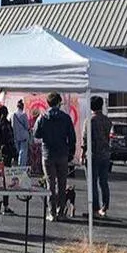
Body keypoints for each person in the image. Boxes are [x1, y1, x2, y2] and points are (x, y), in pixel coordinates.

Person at [33, 92, 76, 221]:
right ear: (58, 103)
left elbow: (36, 134)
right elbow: (72, 137)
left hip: (47, 153)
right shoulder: (66, 118)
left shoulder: (43, 117)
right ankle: (61, 211)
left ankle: (52, 213)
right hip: (62, 153)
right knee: (62, 183)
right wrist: (71, 152)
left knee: (50, 183)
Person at [87, 96, 112, 217]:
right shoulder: (108, 121)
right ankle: (105, 206)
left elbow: (86, 139)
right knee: (104, 182)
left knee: (93, 182)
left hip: (93, 154)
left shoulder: (90, 120)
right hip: (105, 154)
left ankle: (95, 208)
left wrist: (82, 154)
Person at [0, 105, 17, 215]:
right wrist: (15, 155)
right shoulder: (6, 126)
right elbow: (11, 141)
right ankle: (5, 205)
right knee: (5, 182)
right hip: (6, 155)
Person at [12, 100, 30, 167]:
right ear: (22, 107)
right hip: (24, 136)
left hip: (16, 136)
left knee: (18, 151)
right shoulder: (24, 114)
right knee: (23, 152)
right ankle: (22, 166)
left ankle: (17, 165)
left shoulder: (13, 115)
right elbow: (27, 126)